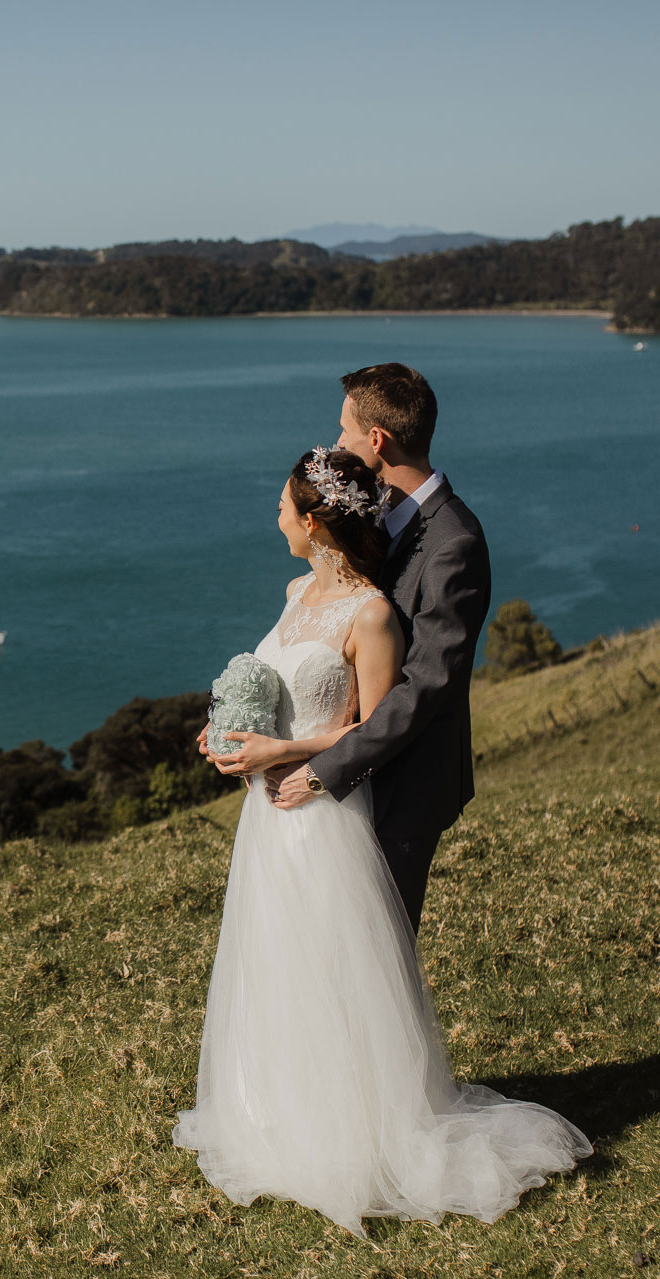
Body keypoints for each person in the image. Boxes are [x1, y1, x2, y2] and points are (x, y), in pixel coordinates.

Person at [173, 444, 588, 1237]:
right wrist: (232, 734)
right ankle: (278, 1109)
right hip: (269, 814)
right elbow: (279, 692)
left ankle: (352, 1129)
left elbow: (362, 727)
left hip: (322, 813)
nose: (278, 516)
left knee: (333, 971)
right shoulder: (296, 592)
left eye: (286, 506)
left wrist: (283, 754)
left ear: (318, 521)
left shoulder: (371, 614)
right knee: (275, 959)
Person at [266, 362, 487, 932]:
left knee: (377, 955)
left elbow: (427, 685)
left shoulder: (453, 542)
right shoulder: (369, 513)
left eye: (344, 431)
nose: (338, 442)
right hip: (337, 770)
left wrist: (324, 768)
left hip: (403, 787)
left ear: (376, 439)